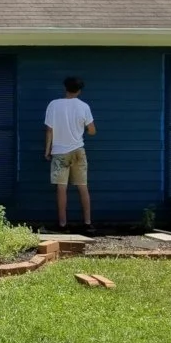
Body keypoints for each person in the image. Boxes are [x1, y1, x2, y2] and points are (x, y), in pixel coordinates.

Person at [45, 76, 96, 233]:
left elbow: (49, 130)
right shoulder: (84, 107)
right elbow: (93, 131)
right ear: (79, 90)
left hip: (59, 152)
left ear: (65, 88)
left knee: (61, 189)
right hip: (78, 151)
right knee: (82, 187)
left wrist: (47, 151)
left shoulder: (53, 105)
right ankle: (87, 223)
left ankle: (62, 225)